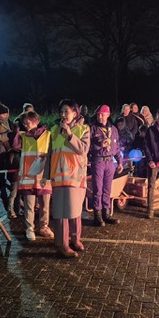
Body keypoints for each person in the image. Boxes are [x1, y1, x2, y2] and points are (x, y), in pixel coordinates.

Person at [44, 99, 90, 258]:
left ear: (75, 113)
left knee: (75, 210)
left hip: (75, 177)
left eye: (67, 112)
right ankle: (62, 245)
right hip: (58, 177)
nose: (63, 115)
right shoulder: (54, 130)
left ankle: (75, 240)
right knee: (60, 212)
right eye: (61, 112)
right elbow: (50, 155)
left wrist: (69, 134)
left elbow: (83, 150)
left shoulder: (83, 129)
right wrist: (46, 176)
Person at [13, 111, 54, 241]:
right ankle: (29, 228)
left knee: (45, 205)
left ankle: (44, 227)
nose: (26, 125)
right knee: (29, 206)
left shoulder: (48, 135)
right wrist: (16, 132)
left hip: (43, 175)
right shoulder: (23, 136)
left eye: (28, 122)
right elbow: (15, 146)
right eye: (24, 123)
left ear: (36, 121)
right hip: (28, 176)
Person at [89, 105, 124, 227]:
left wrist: (120, 162)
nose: (100, 116)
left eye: (102, 114)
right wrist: (99, 145)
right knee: (98, 189)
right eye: (98, 114)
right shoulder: (92, 129)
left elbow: (117, 147)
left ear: (108, 115)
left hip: (110, 162)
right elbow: (87, 147)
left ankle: (106, 213)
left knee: (107, 189)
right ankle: (97, 215)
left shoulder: (113, 129)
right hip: (98, 161)